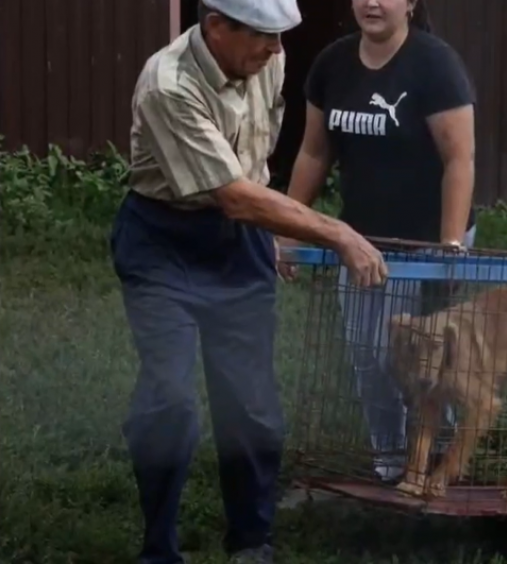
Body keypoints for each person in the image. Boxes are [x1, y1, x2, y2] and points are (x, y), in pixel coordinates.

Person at [110, 0, 388, 562]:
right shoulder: (168, 84)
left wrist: (280, 227)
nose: (277, 50)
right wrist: (334, 231)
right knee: (170, 403)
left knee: (251, 403)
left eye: (282, 37)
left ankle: (251, 541)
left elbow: (253, 180)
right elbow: (234, 195)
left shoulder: (267, 61)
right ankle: (158, 547)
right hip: (165, 243)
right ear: (216, 26)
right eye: (265, 36)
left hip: (239, 245)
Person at [277, 0, 477, 482]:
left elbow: (460, 159)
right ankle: (390, 458)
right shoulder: (332, 64)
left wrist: (450, 246)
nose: (372, 2)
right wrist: (286, 228)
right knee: (370, 353)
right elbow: (313, 152)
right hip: (362, 239)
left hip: (429, 242)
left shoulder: (435, 64)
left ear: (409, 4)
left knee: (423, 356)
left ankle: (444, 452)